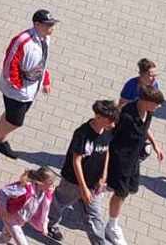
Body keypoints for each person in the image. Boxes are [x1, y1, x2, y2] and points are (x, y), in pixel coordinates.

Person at [0, 10, 57, 163]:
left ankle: (2, 139)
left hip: (31, 89)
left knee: (10, 116)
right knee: (15, 121)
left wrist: (45, 80)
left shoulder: (45, 39)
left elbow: (42, 61)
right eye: (48, 25)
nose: (52, 28)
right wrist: (17, 85)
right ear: (37, 24)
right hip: (17, 90)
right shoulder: (23, 41)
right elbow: (10, 63)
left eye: (52, 24)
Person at [103, 88, 166, 242]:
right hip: (121, 160)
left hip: (134, 159)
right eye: (156, 104)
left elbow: (145, 128)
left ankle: (106, 187)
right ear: (145, 101)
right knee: (121, 193)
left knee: (130, 189)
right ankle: (112, 226)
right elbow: (111, 135)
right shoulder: (126, 116)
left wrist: (155, 144)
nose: (158, 107)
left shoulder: (148, 111)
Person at [52, 101, 119, 240]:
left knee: (95, 217)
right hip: (73, 182)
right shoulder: (82, 134)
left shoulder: (107, 131)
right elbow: (76, 161)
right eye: (110, 121)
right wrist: (83, 189)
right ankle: (49, 224)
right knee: (59, 203)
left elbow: (106, 151)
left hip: (94, 184)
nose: (113, 125)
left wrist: (104, 176)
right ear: (98, 117)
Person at [0, 167, 58, 245]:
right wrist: (3, 211)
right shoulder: (25, 189)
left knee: (3, 239)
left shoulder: (43, 192)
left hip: (20, 220)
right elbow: (2, 193)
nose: (53, 186)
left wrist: (44, 225)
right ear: (41, 182)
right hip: (11, 219)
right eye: (50, 183)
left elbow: (45, 210)